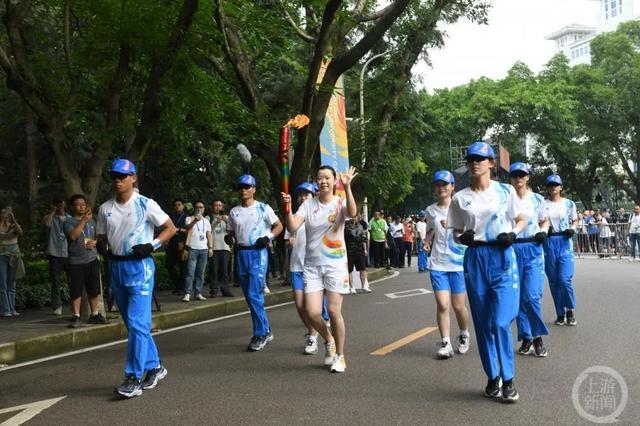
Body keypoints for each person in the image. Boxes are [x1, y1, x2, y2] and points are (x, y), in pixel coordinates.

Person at [447, 141, 525, 402]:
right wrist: (463, 238)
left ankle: (509, 379)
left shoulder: (506, 191)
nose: (475, 162)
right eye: (471, 159)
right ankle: (493, 376)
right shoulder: (460, 198)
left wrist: (513, 234)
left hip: (502, 255)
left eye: (481, 158)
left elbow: (521, 219)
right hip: (476, 259)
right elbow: (456, 232)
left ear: (492, 163)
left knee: (501, 321)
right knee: (483, 323)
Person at [96, 158, 176, 398]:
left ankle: (133, 377)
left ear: (133, 178)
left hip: (140, 266)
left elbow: (170, 228)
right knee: (133, 325)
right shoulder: (105, 208)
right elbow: (101, 236)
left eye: (123, 176)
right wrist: (101, 246)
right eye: (114, 176)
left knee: (138, 322)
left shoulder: (145, 204)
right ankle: (155, 366)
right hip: (117, 268)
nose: (118, 180)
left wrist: (151, 245)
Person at [282, 165, 358, 373]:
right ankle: (329, 339)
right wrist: (287, 208)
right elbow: (292, 226)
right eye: (319, 178)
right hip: (313, 266)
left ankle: (340, 356)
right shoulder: (308, 205)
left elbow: (353, 212)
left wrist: (348, 187)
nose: (323, 181)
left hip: (335, 265)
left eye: (327, 178)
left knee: (333, 311)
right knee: (312, 312)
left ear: (334, 181)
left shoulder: (339, 202)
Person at [226, 174, 283, 352]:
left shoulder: (263, 208)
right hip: (241, 254)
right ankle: (266, 329)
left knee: (253, 294)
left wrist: (268, 237)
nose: (243, 189)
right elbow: (231, 232)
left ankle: (260, 333)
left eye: (247, 186)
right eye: (241, 187)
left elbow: (279, 226)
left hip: (258, 253)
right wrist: (230, 237)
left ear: (254, 189)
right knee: (250, 297)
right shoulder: (233, 211)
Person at [424, 170, 470, 359]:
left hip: (458, 263)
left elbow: (468, 233)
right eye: (438, 185)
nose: (441, 188)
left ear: (452, 187)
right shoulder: (430, 210)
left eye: (445, 184)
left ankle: (464, 333)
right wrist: (427, 241)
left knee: (458, 306)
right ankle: (446, 343)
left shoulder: (461, 208)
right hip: (438, 264)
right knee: (443, 305)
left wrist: (452, 226)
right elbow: (430, 230)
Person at [508, 163, 550, 358]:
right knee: (518, 299)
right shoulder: (505, 199)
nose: (518, 178)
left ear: (527, 177)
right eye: (515, 175)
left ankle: (538, 336)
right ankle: (526, 336)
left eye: (522, 175)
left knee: (532, 296)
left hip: (533, 249)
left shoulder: (537, 199)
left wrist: (542, 232)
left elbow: (544, 220)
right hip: (512, 249)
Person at [285, 182, 329, 355]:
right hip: (296, 266)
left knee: (311, 308)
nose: (303, 197)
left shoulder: (319, 216)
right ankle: (316, 330)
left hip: (313, 266)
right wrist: (290, 243)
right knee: (299, 305)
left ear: (314, 195)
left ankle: (312, 335)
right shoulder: (294, 216)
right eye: (300, 195)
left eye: (307, 194)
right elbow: (289, 233)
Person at [64, 194, 108, 328]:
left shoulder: (92, 221)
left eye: (83, 204)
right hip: (76, 261)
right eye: (78, 204)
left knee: (93, 288)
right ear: (72, 207)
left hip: (92, 259)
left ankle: (94, 314)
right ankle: (76, 316)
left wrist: (94, 243)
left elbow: (97, 238)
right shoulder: (69, 222)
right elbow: (72, 236)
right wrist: (83, 221)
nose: (81, 206)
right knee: (76, 289)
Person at [541, 174, 579, 327]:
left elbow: (575, 220)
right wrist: (543, 229)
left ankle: (569, 309)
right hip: (549, 243)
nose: (553, 187)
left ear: (561, 187)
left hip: (564, 241)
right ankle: (560, 313)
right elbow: (539, 221)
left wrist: (572, 229)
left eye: (556, 185)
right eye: (550, 185)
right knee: (554, 281)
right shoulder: (542, 204)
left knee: (564, 279)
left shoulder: (569, 204)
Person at [42, 198, 69, 316]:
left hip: (68, 253)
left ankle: (75, 303)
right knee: (56, 281)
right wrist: (53, 212)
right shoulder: (50, 218)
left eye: (62, 204)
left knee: (73, 280)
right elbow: (46, 224)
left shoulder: (69, 218)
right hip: (55, 254)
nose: (60, 207)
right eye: (58, 205)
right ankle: (57, 305)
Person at [182, 200, 212, 302]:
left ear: (203, 209)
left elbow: (209, 234)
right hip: (192, 248)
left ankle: (198, 293)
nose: (199, 209)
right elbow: (187, 228)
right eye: (197, 207)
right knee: (190, 272)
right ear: (195, 209)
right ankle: (187, 293)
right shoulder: (189, 218)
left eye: (201, 207)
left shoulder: (206, 221)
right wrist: (195, 220)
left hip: (203, 249)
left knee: (201, 273)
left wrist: (211, 247)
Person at [207, 199, 234, 297]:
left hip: (225, 247)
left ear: (222, 207)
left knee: (224, 271)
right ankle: (213, 290)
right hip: (213, 248)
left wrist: (227, 221)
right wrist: (215, 222)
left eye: (220, 206)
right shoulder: (208, 217)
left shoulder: (227, 218)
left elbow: (232, 229)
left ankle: (225, 290)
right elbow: (206, 230)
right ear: (213, 207)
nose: (218, 207)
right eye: (216, 205)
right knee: (213, 270)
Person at [0, 207, 22, 317]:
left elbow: (20, 232)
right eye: (4, 213)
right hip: (1, 256)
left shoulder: (14, 226)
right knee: (2, 283)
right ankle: (5, 309)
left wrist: (13, 219)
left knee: (12, 283)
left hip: (14, 256)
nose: (6, 216)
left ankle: (12, 308)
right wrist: (2, 221)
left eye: (8, 214)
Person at [166, 199, 187, 294]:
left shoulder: (187, 217)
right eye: (175, 205)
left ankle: (181, 288)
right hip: (172, 243)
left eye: (179, 204)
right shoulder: (171, 217)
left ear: (183, 206)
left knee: (183, 267)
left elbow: (189, 231)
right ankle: (178, 285)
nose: (177, 206)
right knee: (169, 265)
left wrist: (184, 242)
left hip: (183, 243)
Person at [345, 214, 370, 293]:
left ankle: (364, 286)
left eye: (355, 217)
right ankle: (352, 287)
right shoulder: (346, 226)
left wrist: (365, 249)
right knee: (349, 270)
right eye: (352, 217)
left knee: (362, 269)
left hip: (359, 250)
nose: (353, 218)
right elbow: (347, 236)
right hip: (349, 250)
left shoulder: (360, 226)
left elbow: (363, 238)